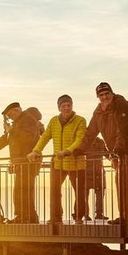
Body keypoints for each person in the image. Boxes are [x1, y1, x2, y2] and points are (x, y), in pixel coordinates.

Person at [83, 82, 128, 225]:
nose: (104, 97)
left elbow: (122, 129)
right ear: (98, 97)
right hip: (116, 152)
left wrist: (119, 147)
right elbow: (90, 132)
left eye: (107, 94)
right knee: (121, 181)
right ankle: (126, 215)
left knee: (123, 181)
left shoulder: (121, 105)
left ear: (111, 93)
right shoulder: (98, 111)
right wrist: (79, 149)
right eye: (101, 95)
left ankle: (127, 217)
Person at [0, 102, 44, 223]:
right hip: (21, 162)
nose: (9, 118)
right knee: (23, 191)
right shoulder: (18, 123)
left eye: (10, 115)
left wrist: (12, 130)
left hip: (27, 162)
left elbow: (28, 138)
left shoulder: (28, 120)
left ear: (17, 111)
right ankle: (28, 217)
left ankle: (24, 218)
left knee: (22, 192)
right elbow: (6, 139)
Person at [33, 94, 88, 224]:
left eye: (68, 105)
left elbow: (80, 138)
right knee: (55, 191)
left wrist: (69, 150)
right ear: (59, 108)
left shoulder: (80, 120)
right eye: (63, 106)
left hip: (76, 162)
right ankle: (56, 218)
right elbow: (45, 137)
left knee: (79, 191)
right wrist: (36, 150)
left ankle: (79, 217)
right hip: (58, 163)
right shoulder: (53, 121)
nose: (66, 108)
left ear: (72, 106)